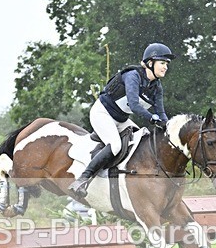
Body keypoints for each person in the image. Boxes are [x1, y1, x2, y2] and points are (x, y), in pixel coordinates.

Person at [69, 42, 174, 198]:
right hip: (102, 113)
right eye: (162, 63)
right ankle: (83, 179)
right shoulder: (133, 76)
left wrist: (170, 129)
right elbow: (134, 105)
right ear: (150, 63)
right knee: (116, 145)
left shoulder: (157, 86)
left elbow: (161, 113)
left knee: (142, 139)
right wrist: (151, 118)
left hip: (121, 118)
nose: (165, 67)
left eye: (167, 64)